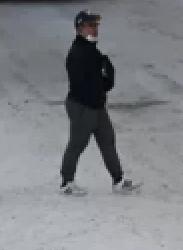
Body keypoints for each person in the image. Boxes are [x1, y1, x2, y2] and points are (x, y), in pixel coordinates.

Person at [59, 10, 140, 196]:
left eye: (96, 25)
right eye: (90, 25)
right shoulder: (78, 53)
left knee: (108, 142)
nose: (95, 29)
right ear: (80, 28)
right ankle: (67, 182)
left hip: (96, 106)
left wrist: (106, 77)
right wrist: (102, 81)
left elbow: (101, 83)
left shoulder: (92, 51)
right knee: (77, 144)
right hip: (82, 106)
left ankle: (118, 181)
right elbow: (85, 83)